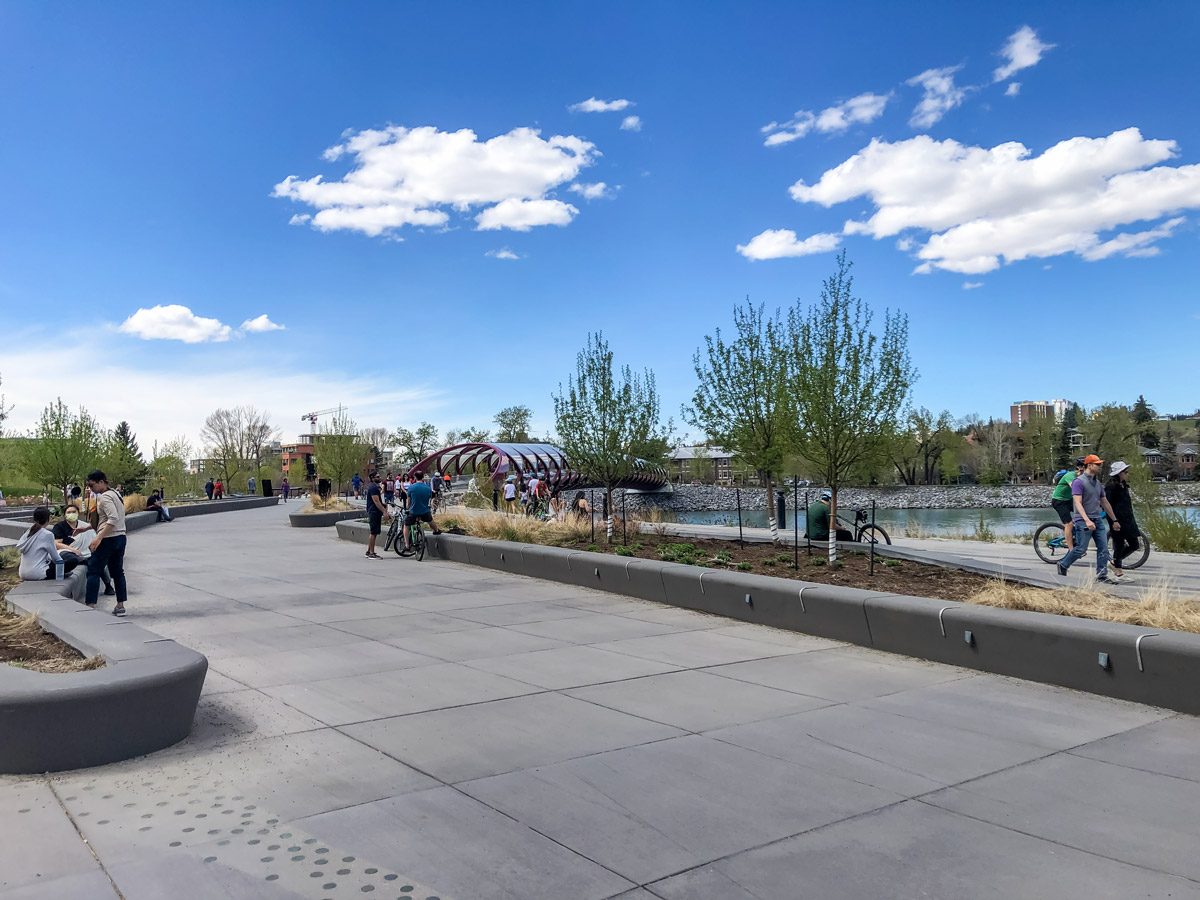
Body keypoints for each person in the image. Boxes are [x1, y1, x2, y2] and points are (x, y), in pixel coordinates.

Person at [1057, 455, 1120, 583]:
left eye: (1100, 464)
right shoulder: (1078, 482)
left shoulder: (1097, 484)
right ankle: (1063, 564)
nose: (1100, 467)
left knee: (1103, 548)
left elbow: (1105, 502)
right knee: (1081, 549)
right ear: (1089, 465)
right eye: (1097, 464)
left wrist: (1114, 520)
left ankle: (1102, 576)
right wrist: (1086, 520)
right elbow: (1077, 503)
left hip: (1097, 519)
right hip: (1083, 520)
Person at [84, 469, 129, 615]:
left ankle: (90, 605)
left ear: (101, 482)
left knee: (94, 570)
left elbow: (113, 518)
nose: (91, 489)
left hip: (108, 538)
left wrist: (99, 537)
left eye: (92, 485)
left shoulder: (105, 498)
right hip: (120, 537)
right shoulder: (116, 494)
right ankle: (120, 605)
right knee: (117, 571)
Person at [54, 501, 116, 594]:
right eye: (69, 512)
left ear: (78, 513)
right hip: (68, 553)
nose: (71, 514)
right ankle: (85, 561)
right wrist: (73, 550)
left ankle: (108, 585)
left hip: (86, 552)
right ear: (65, 515)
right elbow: (56, 544)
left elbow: (93, 539)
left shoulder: (84, 526)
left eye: (74, 512)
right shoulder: (59, 527)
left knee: (99, 561)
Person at [1105, 461, 1140, 582]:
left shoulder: (1123, 485)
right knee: (1119, 544)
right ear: (1118, 473)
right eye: (1125, 472)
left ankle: (1114, 562)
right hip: (1116, 519)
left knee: (1134, 544)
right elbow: (1106, 504)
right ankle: (1118, 572)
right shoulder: (1111, 487)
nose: (1127, 474)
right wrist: (1114, 520)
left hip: (1128, 519)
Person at [16, 507, 64, 582]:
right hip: (38, 573)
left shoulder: (28, 532)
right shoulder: (47, 534)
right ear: (48, 519)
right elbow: (56, 557)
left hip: (23, 573)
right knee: (71, 561)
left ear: (34, 519)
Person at [1050, 457, 1086, 553]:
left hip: (1068, 500)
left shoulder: (1085, 477)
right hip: (1059, 501)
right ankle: (1071, 550)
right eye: (1084, 466)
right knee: (1069, 524)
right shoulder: (1070, 475)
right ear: (1079, 467)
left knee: (1084, 514)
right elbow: (1075, 489)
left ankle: (1077, 537)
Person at [401, 472, 442, 555]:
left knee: (406, 525)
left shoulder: (411, 487)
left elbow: (409, 502)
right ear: (423, 477)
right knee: (430, 521)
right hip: (424, 510)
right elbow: (430, 498)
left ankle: (407, 545)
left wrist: (409, 508)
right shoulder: (427, 488)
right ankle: (436, 530)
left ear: (415, 477)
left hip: (414, 511)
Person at [363, 472, 390, 559]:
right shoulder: (373, 488)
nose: (380, 478)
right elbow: (376, 501)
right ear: (372, 478)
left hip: (375, 511)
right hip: (374, 511)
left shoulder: (374, 487)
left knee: (374, 532)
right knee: (373, 532)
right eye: (377, 477)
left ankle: (368, 551)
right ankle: (371, 553)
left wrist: (384, 506)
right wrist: (384, 511)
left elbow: (378, 501)